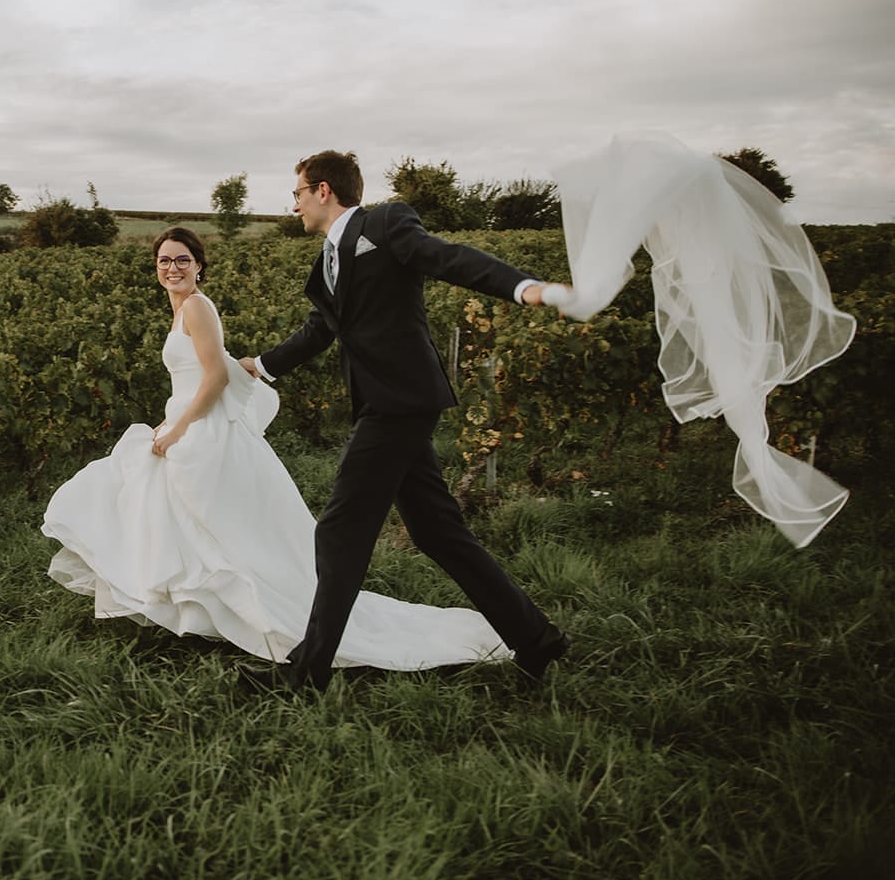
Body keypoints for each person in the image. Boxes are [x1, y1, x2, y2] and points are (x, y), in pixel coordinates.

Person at [42, 226, 512, 673]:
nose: (172, 267)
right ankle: (197, 612)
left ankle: (255, 614)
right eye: (164, 261)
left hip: (205, 432)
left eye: (182, 260)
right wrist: (169, 421)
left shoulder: (197, 309)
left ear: (199, 266)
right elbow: (190, 381)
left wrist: (178, 428)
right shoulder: (180, 308)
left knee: (212, 528)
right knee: (182, 519)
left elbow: (215, 377)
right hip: (192, 422)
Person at [236, 150, 574, 694]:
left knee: (341, 530)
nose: (293, 204)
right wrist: (261, 365)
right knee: (437, 531)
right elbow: (320, 331)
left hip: (402, 400)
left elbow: (448, 257)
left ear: (323, 190)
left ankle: (306, 674)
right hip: (383, 404)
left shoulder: (385, 222)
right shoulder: (324, 264)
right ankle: (535, 639)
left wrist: (523, 287)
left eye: (297, 192)